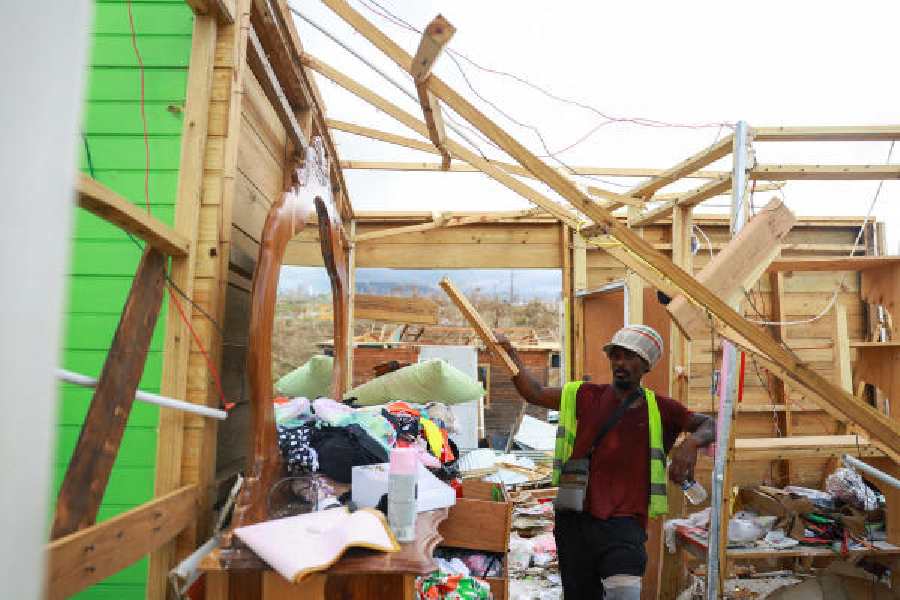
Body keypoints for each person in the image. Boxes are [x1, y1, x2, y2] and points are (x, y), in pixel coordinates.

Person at [497, 324, 715, 600]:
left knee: (624, 594)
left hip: (624, 525)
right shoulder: (586, 395)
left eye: (630, 357)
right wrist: (509, 351)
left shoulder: (662, 409)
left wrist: (690, 444)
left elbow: (709, 424)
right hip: (575, 522)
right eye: (616, 355)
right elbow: (535, 392)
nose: (620, 363)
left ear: (646, 365)